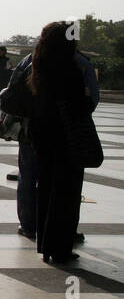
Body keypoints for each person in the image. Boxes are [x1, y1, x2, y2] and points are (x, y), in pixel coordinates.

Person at [29, 22, 98, 265]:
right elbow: (81, 105)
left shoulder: (39, 65)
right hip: (67, 135)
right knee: (67, 192)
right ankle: (60, 247)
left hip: (43, 132)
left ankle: (46, 244)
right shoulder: (70, 68)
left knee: (46, 187)